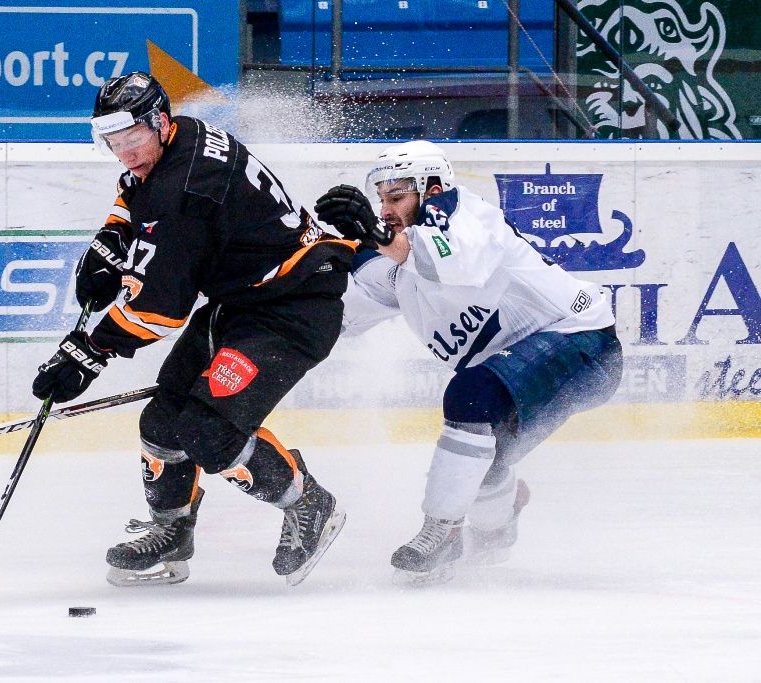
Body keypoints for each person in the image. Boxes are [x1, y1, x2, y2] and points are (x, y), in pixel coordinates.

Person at [32, 72, 356, 587]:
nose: (124, 153)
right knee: (163, 424)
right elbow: (136, 190)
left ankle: (309, 503)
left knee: (209, 431)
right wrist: (114, 235)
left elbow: (161, 310)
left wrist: (88, 352)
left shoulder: (183, 190)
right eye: (112, 143)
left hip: (292, 311)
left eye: (130, 139)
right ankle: (172, 532)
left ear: (158, 122)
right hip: (243, 302)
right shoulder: (179, 136)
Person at [315, 141, 623, 583]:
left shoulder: (468, 217)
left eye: (397, 196)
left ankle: (441, 531)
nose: (385, 209)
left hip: (583, 343)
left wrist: (379, 237)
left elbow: (455, 263)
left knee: (469, 395)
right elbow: (344, 315)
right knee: (483, 454)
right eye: (380, 199)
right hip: (540, 366)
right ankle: (496, 529)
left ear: (433, 189)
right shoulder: (398, 256)